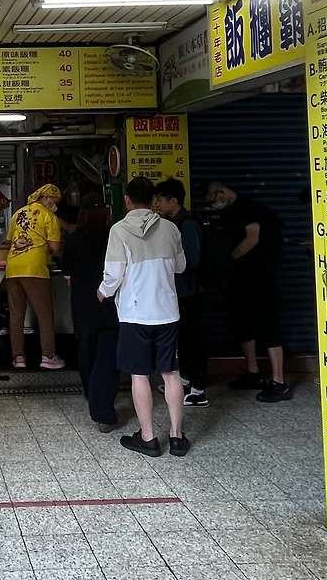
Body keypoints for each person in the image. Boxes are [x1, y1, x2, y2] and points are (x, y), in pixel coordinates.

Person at [99, 176, 188, 456]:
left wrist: (103, 292)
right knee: (171, 373)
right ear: (153, 201)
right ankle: (176, 437)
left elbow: (114, 274)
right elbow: (181, 266)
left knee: (139, 375)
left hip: (135, 314)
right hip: (167, 312)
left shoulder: (119, 230)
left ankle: (148, 437)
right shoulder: (171, 228)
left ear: (126, 200)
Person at [204, 178, 291, 403]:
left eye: (213, 200)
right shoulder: (226, 214)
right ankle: (253, 373)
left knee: (267, 324)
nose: (213, 205)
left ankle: (279, 382)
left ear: (222, 191)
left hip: (259, 276)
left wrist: (228, 260)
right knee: (242, 324)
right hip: (238, 278)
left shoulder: (249, 208)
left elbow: (252, 239)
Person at [60, 194, 121, 429]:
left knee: (86, 353)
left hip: (83, 306)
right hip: (110, 305)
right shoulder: (114, 236)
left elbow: (67, 276)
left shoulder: (73, 240)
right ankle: (103, 406)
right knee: (108, 356)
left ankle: (91, 394)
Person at [152, 178, 207, 406]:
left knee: (192, 339)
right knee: (183, 339)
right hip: (179, 292)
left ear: (173, 200)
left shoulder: (187, 224)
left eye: (160, 200)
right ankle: (184, 380)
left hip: (190, 292)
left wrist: (168, 263)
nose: (157, 204)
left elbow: (192, 260)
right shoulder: (173, 223)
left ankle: (198, 389)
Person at [4, 183, 65, 370]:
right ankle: (48, 356)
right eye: (54, 201)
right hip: (35, 269)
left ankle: (18, 357)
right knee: (44, 315)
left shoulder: (18, 214)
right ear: (45, 198)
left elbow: (8, 241)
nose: (55, 206)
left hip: (13, 268)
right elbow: (55, 247)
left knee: (16, 315)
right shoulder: (49, 216)